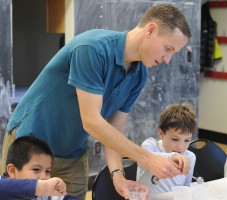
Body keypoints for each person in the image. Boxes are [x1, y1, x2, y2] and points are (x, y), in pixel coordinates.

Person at [0, 4, 192, 200]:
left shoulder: (139, 74)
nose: (168, 59)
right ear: (150, 30)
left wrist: (118, 176)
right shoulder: (93, 48)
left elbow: (114, 131)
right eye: (167, 49)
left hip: (72, 153)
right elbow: (91, 121)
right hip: (31, 144)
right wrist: (149, 159)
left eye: (173, 53)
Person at [137, 103, 196, 196]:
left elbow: (186, 189)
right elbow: (144, 156)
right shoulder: (150, 145)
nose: (180, 147)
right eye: (175, 139)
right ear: (161, 133)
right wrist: (173, 156)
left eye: (187, 140)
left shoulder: (190, 157)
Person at [0, 135, 77, 200]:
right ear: (12, 171)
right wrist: (44, 187)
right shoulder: (3, 188)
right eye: (36, 170)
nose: (44, 177)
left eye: (47, 171)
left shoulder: (45, 194)